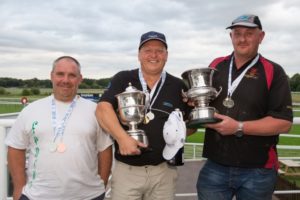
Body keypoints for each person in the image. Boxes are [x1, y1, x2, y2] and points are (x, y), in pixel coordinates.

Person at [196, 14, 294, 200]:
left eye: (249, 33)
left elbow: (283, 122)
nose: (242, 39)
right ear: (230, 37)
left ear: (261, 37)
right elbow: (204, 105)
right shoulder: (216, 66)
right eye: (237, 33)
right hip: (215, 166)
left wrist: (238, 127)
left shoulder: (274, 71)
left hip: (258, 171)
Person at [96, 31, 195, 200]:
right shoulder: (123, 78)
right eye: (148, 50)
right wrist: (122, 138)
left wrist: (178, 132)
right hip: (127, 172)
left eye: (159, 50)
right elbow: (102, 109)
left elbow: (191, 125)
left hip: (164, 172)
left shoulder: (179, 85)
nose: (154, 55)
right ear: (139, 55)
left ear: (166, 55)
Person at [5, 56, 113, 200]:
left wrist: (101, 184)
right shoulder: (31, 110)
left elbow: (104, 149)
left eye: (72, 75)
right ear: (51, 76)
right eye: (60, 74)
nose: (66, 80)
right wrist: (19, 187)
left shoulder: (95, 110)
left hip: (88, 196)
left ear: (80, 79)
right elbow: (15, 148)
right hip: (37, 195)